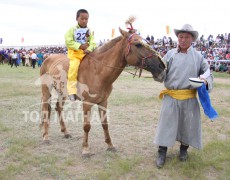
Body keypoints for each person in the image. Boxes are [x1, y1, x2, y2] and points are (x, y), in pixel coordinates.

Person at [154, 24, 214, 168]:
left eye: (187, 37)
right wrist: (156, 71)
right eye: (181, 36)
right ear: (177, 38)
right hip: (171, 96)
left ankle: (183, 150)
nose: (183, 40)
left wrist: (205, 80)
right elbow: (161, 74)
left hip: (189, 96)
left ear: (192, 39)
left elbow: (208, 74)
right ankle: (162, 152)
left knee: (187, 125)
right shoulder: (169, 54)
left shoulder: (198, 57)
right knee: (166, 124)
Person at [65, 9, 97, 101]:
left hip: (86, 54)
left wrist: (89, 49)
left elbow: (93, 42)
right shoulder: (72, 29)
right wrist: (80, 46)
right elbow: (68, 42)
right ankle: (71, 91)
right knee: (73, 69)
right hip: (75, 54)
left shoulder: (89, 31)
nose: (84, 21)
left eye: (86, 19)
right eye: (82, 18)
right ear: (77, 18)